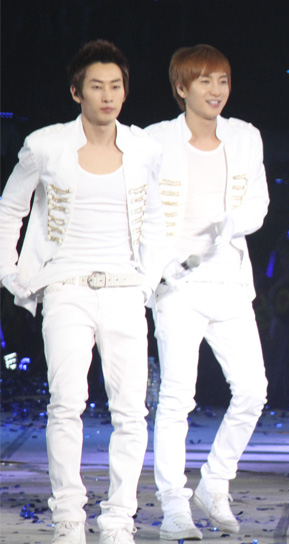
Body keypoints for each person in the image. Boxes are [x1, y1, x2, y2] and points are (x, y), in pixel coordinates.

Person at [0, 40, 168, 544]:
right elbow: (10, 209)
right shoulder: (46, 146)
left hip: (123, 289)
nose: (108, 95)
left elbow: (157, 219)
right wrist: (11, 275)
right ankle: (69, 517)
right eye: (97, 86)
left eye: (115, 86)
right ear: (77, 92)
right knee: (66, 404)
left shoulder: (143, 148)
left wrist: (147, 281)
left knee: (131, 410)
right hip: (66, 287)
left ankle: (118, 518)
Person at [144, 44, 270, 540]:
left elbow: (259, 203)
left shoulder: (244, 137)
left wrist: (230, 224)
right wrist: (158, 267)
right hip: (178, 284)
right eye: (205, 81)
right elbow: (137, 208)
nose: (217, 90)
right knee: (177, 397)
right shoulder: (154, 140)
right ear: (182, 88)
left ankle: (214, 483)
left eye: (223, 81)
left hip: (230, 279)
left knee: (253, 390)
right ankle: (174, 504)